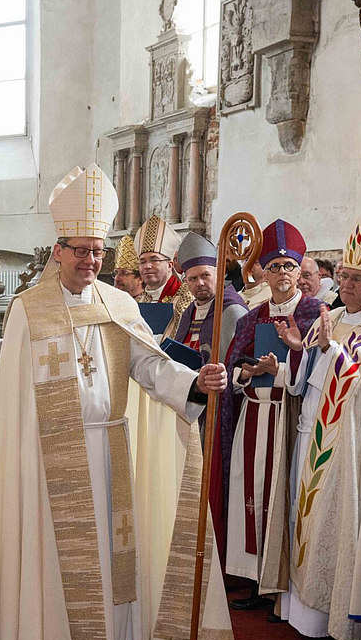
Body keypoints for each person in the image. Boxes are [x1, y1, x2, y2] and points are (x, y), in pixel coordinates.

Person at [0, 165, 229, 640]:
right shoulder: (29, 311)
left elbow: (150, 366)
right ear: (58, 249)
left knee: (114, 559)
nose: (91, 260)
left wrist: (195, 382)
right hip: (51, 457)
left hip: (111, 448)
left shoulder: (119, 305)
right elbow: (14, 405)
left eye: (98, 250)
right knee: (52, 556)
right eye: (81, 249)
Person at [264, 209, 361, 640]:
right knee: (303, 514)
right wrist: (300, 353)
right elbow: (305, 380)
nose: (348, 287)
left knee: (332, 521)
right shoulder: (333, 316)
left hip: (347, 447)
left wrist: (334, 352)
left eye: (359, 279)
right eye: (346, 277)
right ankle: (299, 608)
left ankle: (328, 617)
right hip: (311, 432)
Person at [220, 219, 324, 612]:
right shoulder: (250, 318)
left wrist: (276, 370)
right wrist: (245, 374)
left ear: (301, 271)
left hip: (288, 419)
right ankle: (252, 579)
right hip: (253, 415)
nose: (282, 274)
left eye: (289, 267)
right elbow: (233, 368)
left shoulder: (315, 312)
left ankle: (280, 586)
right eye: (275, 266)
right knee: (249, 496)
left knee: (281, 497)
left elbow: (318, 369)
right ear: (262, 270)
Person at [163, 231, 246, 363]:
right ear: (186, 282)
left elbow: (235, 364)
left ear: (219, 274)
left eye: (205, 275)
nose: (200, 283)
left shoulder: (232, 310)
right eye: (193, 278)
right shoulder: (189, 311)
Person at [134, 214, 184, 303]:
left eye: (154, 260)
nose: (147, 266)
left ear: (170, 265)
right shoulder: (138, 301)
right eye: (142, 261)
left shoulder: (185, 298)